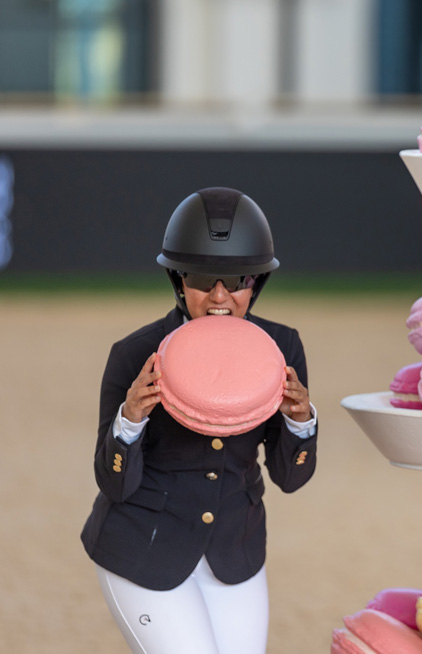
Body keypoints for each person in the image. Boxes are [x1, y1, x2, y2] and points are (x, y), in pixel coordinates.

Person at [81, 187, 318, 654]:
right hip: (144, 552)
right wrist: (131, 419)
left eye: (237, 280)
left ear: (256, 283)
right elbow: (115, 485)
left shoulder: (281, 348)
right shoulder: (134, 353)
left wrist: (300, 422)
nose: (219, 296)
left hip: (234, 553)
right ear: (178, 279)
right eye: (203, 279)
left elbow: (291, 478)